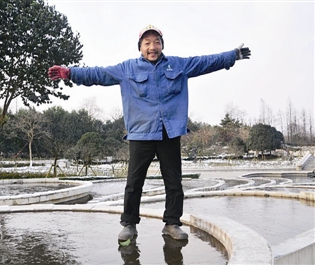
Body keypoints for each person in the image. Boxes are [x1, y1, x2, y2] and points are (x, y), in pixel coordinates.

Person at [47, 24, 251, 242]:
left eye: (157, 42)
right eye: (147, 43)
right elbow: (98, 73)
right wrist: (70, 73)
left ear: (162, 45)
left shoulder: (177, 65)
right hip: (141, 133)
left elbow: (205, 62)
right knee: (134, 182)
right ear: (140, 47)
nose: (152, 47)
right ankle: (129, 224)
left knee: (174, 182)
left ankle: (172, 223)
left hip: (169, 133)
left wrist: (232, 55)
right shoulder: (127, 69)